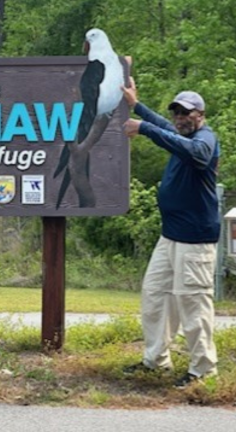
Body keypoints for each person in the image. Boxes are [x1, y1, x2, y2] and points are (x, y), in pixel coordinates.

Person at [121, 78, 221, 388]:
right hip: (170, 237)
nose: (180, 117)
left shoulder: (205, 140)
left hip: (196, 241)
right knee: (155, 296)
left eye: (186, 112)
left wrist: (145, 129)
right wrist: (136, 105)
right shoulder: (180, 134)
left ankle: (203, 371)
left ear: (200, 114)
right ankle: (156, 361)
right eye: (177, 112)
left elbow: (193, 151)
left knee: (192, 304)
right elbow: (164, 126)